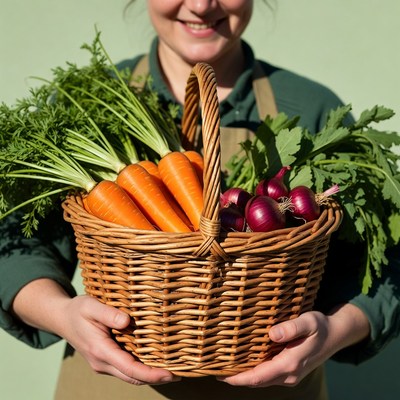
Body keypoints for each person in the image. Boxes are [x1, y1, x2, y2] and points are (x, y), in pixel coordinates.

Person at [1, 1, 399, 399]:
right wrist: (64, 315)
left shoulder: (311, 109)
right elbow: (13, 248)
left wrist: (332, 332)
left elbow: (386, 267)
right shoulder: (88, 105)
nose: (200, 4)